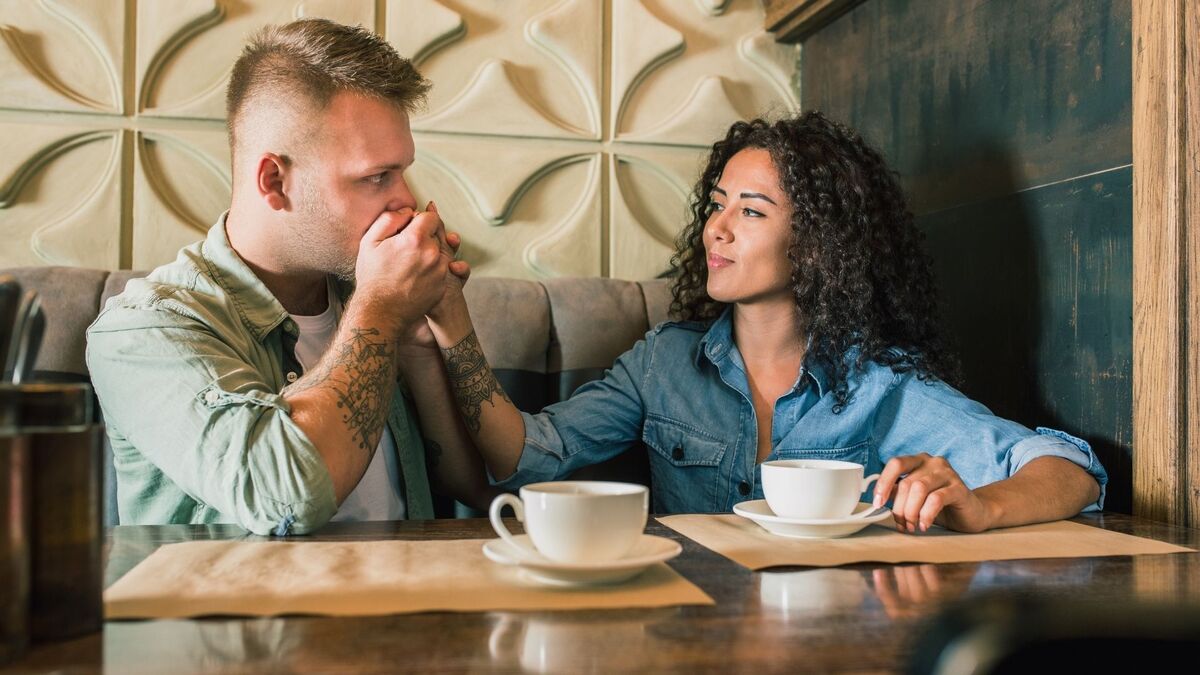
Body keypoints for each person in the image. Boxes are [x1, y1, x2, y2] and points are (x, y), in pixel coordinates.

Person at [424, 111, 1106, 533]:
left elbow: (1073, 469)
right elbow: (521, 457)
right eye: (717, 205)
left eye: (750, 211)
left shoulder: (879, 387)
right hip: (686, 629)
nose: (715, 229)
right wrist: (454, 324)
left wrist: (980, 506)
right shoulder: (664, 362)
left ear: (816, 244)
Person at [86, 18, 493, 535]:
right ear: (275, 182)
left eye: (402, 171)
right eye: (376, 177)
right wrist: (383, 310)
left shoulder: (367, 295)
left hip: (406, 606)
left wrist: (416, 342)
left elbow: (475, 486)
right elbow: (284, 497)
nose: (406, 199)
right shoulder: (145, 329)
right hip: (247, 616)